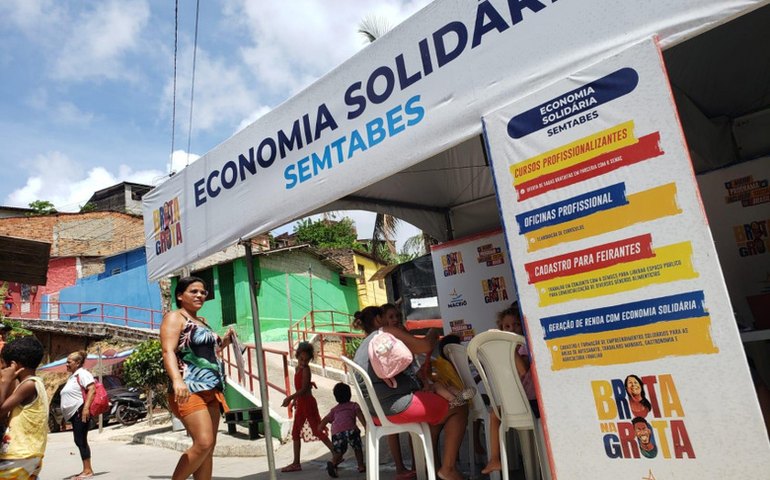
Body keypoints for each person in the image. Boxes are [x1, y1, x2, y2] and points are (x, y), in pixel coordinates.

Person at [353, 306, 468, 480]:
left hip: (376, 414)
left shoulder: (363, 346)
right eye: (389, 316)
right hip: (399, 406)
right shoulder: (385, 332)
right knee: (460, 405)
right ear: (378, 320)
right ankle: (449, 468)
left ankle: (434, 468)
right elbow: (426, 345)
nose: (396, 320)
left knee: (436, 412)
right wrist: (433, 332)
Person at [160, 276, 235, 480]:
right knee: (203, 443)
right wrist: (177, 380)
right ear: (180, 295)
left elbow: (207, 351)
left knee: (208, 447)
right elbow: (168, 351)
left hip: (212, 390)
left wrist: (225, 341)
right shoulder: (175, 317)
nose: (200, 295)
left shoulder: (202, 321)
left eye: (203, 292)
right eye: (194, 291)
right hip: (189, 389)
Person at [482, 304, 540, 475]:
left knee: (495, 414)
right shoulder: (512, 349)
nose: (512, 329)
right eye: (507, 327)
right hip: (520, 402)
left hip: (533, 402)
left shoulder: (524, 346)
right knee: (494, 414)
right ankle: (494, 459)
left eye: (516, 324)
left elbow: (523, 369)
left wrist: (510, 348)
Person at [280, 341, 334, 472]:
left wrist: (290, 398)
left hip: (308, 403)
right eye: (301, 359)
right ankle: (296, 463)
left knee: (316, 430)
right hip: (302, 403)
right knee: (295, 432)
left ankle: (335, 452)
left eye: (306, 360)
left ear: (310, 359)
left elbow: (304, 389)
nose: (304, 362)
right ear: (297, 356)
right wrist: (295, 401)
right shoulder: (298, 368)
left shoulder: (305, 370)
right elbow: (302, 389)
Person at [0, 336, 48, 480]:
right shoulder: (36, 382)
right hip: (31, 453)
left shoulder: (28, 385)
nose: (2, 369)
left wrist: (5, 381)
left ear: (14, 365)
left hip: (19, 455)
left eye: (3, 365)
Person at [59, 350, 96, 480]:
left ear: (78, 362)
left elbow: (92, 389)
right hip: (74, 413)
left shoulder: (83, 373)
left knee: (81, 440)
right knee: (79, 440)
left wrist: (86, 408)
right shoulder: (73, 376)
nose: (67, 365)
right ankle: (86, 469)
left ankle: (88, 470)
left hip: (80, 411)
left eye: (69, 362)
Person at [318, 382, 366, 478]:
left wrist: (320, 427)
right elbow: (360, 414)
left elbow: (326, 419)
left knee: (339, 451)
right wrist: (366, 426)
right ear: (349, 394)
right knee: (357, 448)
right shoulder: (354, 405)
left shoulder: (334, 410)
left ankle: (333, 462)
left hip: (337, 432)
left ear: (336, 397)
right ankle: (360, 466)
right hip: (351, 430)